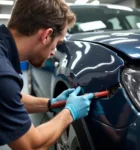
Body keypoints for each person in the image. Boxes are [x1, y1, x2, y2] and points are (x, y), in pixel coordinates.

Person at [0, 0, 94, 149]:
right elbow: (31, 146)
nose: (53, 52)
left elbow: (9, 100)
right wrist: (70, 112)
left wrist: (51, 104)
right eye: (58, 42)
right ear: (46, 35)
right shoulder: (3, 74)